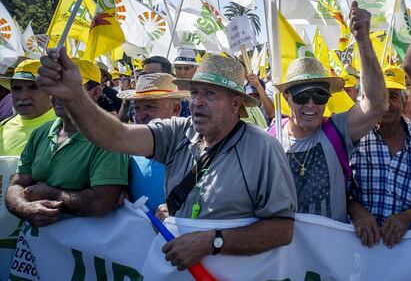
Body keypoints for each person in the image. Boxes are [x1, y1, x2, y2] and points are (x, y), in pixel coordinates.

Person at [37, 48, 297, 271]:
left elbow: (282, 229)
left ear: (236, 102)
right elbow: (116, 136)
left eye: (210, 94)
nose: (197, 102)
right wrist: (74, 95)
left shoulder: (263, 148)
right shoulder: (177, 132)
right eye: (195, 93)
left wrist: (211, 241)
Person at [274, 1, 387, 223]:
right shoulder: (270, 140)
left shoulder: (336, 130)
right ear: (286, 98)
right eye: (300, 96)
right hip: (284, 255)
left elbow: (377, 105)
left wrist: (363, 41)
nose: (310, 104)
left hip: (331, 255)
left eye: (319, 96)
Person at [5, 58, 129, 227]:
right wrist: (25, 207)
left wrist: (48, 193)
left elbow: (101, 203)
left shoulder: (108, 139)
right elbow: (17, 184)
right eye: (54, 87)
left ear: (96, 93)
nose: (59, 94)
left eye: (71, 88)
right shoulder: (41, 133)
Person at [349, 65, 411, 248]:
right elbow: (337, 193)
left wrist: (407, 217)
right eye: (380, 96)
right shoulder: (354, 139)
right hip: (358, 254)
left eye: (392, 96)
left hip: (406, 260)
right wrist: (355, 210)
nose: (385, 104)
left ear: (404, 100)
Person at [117, 73, 188, 211]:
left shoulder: (192, 147)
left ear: (175, 110)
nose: (140, 115)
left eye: (150, 107)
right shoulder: (128, 148)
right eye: (137, 108)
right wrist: (119, 188)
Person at [0, 59, 56, 156]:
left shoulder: (65, 127)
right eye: (16, 89)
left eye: (33, 87)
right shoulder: (3, 127)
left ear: (50, 91)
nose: (22, 96)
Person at [172, 49, 198, 118]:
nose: (182, 72)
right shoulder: (168, 90)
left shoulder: (201, 92)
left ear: (195, 69)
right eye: (178, 68)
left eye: (187, 68)